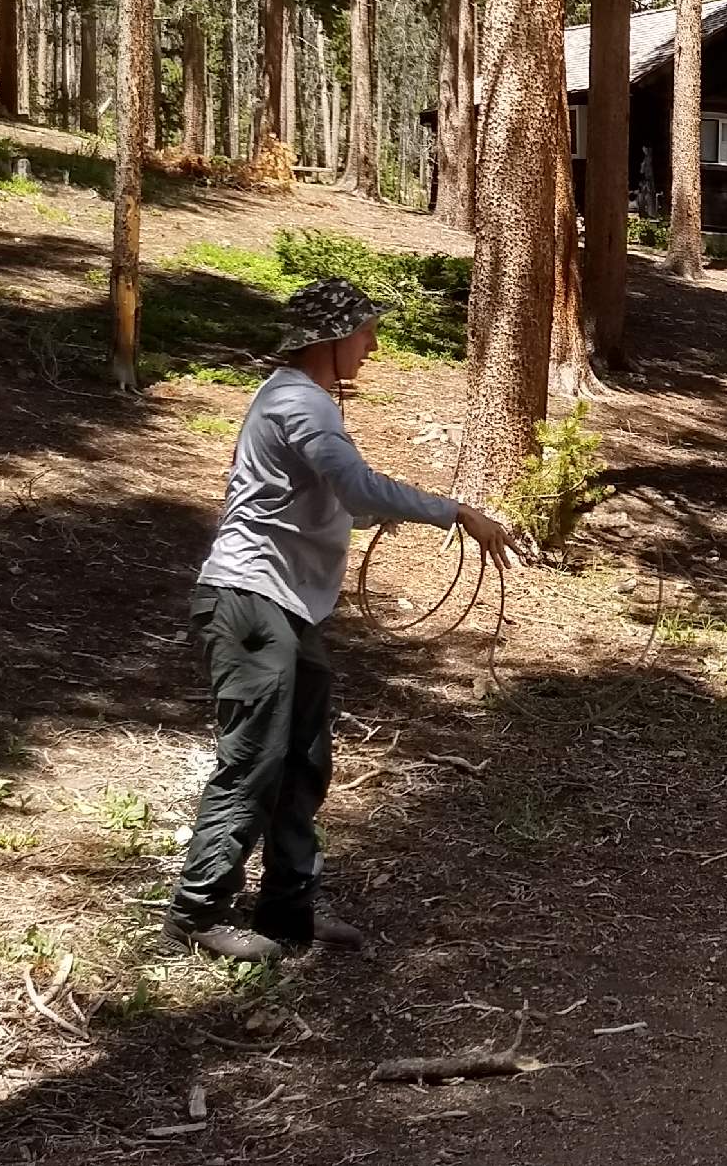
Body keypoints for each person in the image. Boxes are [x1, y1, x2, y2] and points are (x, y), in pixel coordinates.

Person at [163, 277, 518, 962]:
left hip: (282, 607)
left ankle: (288, 911)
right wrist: (454, 511)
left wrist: (394, 510)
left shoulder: (302, 401)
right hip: (250, 601)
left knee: (302, 761)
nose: (373, 345)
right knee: (257, 761)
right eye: (363, 333)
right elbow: (355, 487)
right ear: (329, 339)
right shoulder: (301, 402)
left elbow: (342, 500)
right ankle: (197, 912)